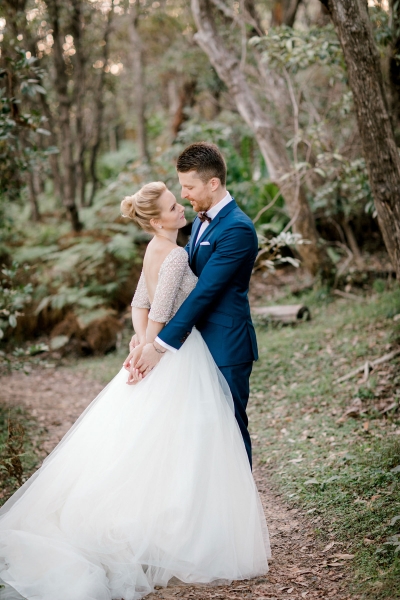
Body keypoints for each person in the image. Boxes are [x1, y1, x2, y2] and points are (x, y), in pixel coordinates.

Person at [0, 175, 270, 600]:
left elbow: (139, 303)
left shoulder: (158, 246)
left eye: (181, 197)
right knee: (196, 439)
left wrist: (142, 340)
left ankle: (188, 525)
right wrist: (151, 347)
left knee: (169, 440)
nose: (181, 205)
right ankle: (196, 534)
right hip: (180, 352)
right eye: (173, 205)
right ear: (157, 220)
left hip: (177, 345)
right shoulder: (176, 252)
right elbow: (159, 306)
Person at [128, 142, 258, 467]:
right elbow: (174, 282)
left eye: (189, 187)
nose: (184, 194)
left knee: (230, 431)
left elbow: (205, 293)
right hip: (193, 345)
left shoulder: (238, 229)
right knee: (199, 435)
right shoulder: (199, 221)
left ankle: (239, 499)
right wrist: (145, 338)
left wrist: (158, 345)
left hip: (226, 345)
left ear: (212, 183)